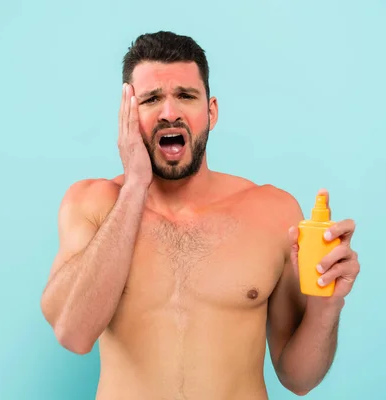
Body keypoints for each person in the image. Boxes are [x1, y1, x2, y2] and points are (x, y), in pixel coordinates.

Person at [39, 31, 360, 399]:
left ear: (211, 112)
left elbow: (298, 379)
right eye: (151, 99)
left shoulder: (273, 213)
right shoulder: (91, 205)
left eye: (186, 96)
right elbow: (73, 333)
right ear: (128, 116)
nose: (170, 112)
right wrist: (134, 188)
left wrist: (326, 307)